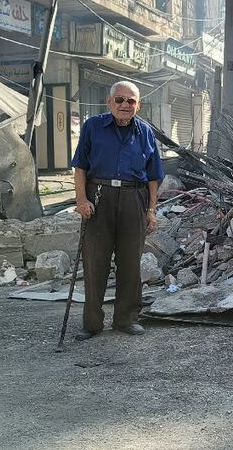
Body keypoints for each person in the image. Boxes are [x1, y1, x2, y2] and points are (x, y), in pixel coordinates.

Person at [70, 81, 165, 341]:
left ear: (138, 104)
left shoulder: (145, 132)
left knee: (130, 262)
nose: (125, 105)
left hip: (134, 197)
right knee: (96, 262)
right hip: (99, 197)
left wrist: (151, 210)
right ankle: (92, 323)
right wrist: (81, 199)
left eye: (130, 101)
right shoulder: (93, 127)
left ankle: (126, 319)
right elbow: (80, 167)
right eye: (120, 100)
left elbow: (153, 177)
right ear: (109, 101)